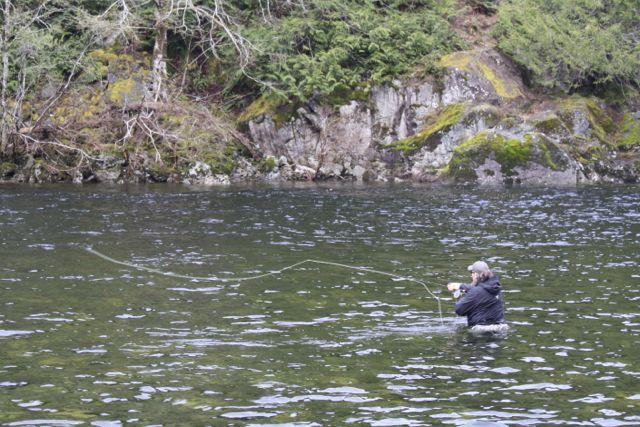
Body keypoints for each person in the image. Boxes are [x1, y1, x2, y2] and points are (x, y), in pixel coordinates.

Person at [447, 261, 508, 334]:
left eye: (472, 273)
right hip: (501, 328)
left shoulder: (476, 292)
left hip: (481, 331)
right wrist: (460, 286)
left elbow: (459, 310)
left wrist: (459, 297)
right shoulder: (496, 287)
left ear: (476, 275)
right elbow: (481, 290)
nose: (471, 276)